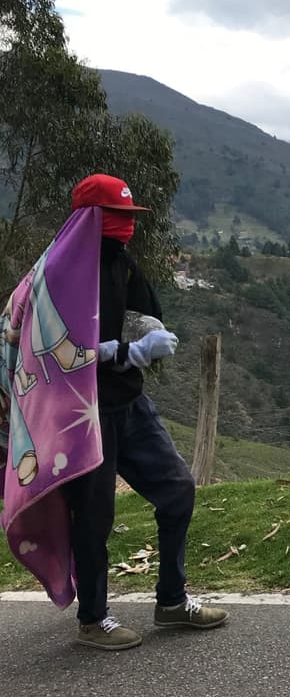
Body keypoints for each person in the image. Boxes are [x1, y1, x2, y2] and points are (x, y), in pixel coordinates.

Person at [61, 174, 227, 650]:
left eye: (131, 218)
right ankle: (93, 619)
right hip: (84, 413)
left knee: (177, 489)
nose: (126, 227)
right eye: (117, 218)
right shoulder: (63, 272)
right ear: (89, 219)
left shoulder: (121, 263)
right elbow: (55, 351)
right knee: (94, 516)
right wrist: (123, 352)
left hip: (131, 404)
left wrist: (147, 338)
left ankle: (172, 602)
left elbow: (145, 311)